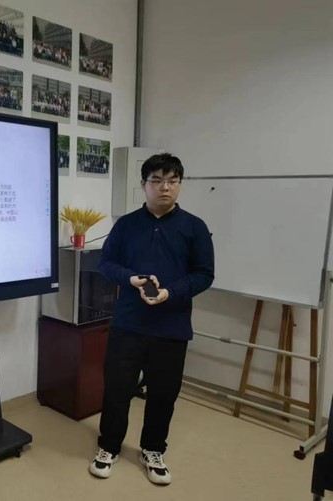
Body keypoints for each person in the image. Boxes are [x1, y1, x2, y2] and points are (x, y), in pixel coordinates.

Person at [89, 153, 215, 485]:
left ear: (180, 185)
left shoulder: (194, 227)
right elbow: (106, 263)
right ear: (143, 185)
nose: (164, 187)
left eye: (172, 181)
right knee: (117, 390)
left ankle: (153, 449)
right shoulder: (126, 225)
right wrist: (130, 278)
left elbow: (204, 274)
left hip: (172, 327)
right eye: (157, 181)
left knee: (163, 394)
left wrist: (169, 293)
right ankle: (109, 446)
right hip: (128, 323)